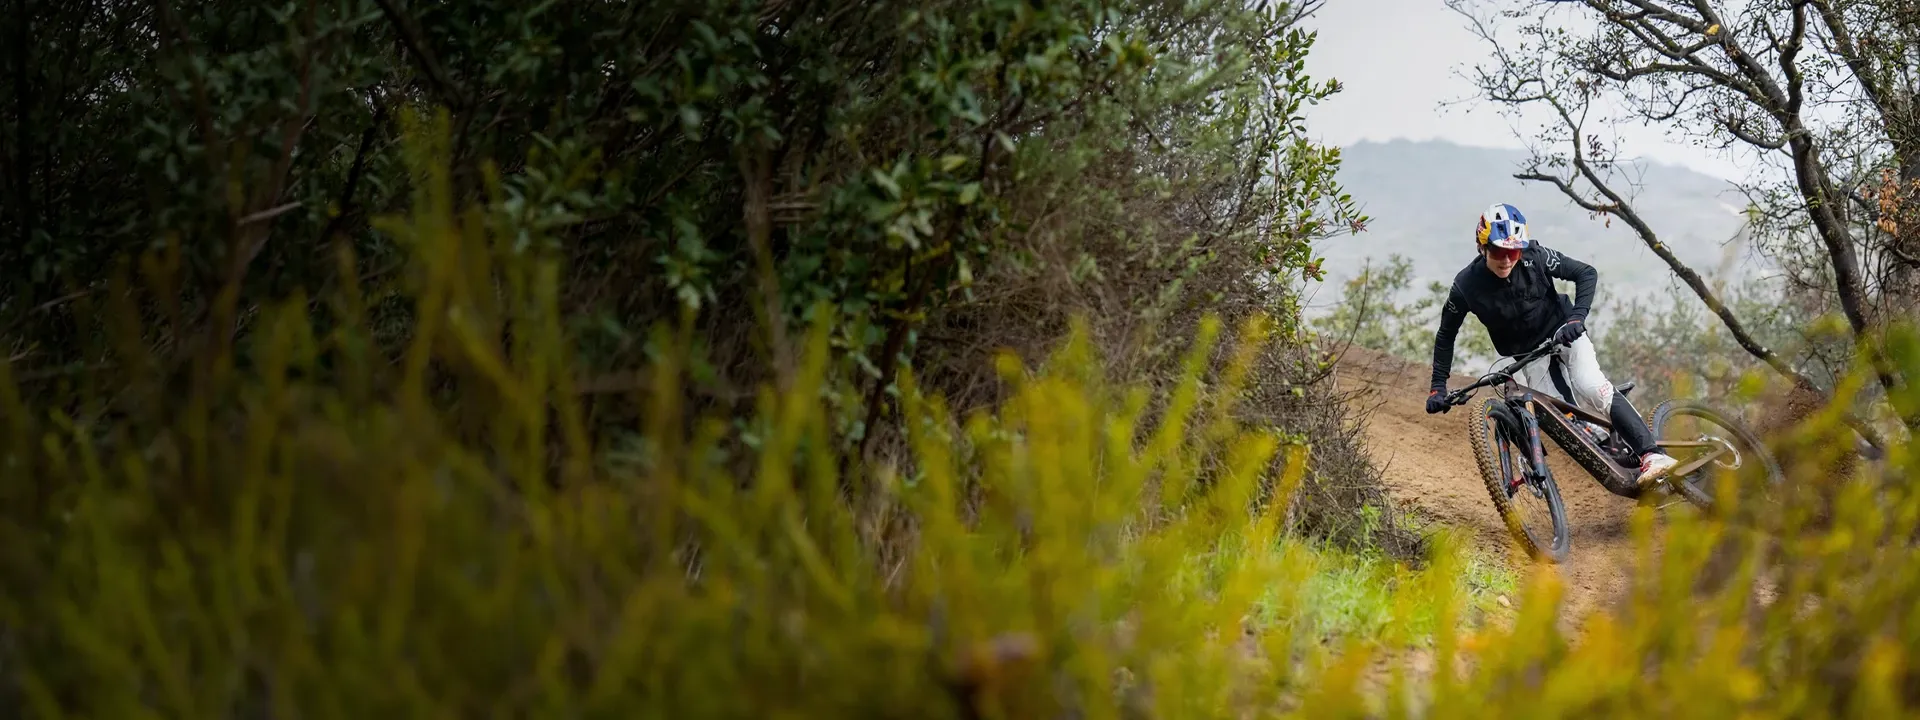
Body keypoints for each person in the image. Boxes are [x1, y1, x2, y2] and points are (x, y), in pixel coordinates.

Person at [1425, 202, 1679, 488]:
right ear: (1482, 247)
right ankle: (1626, 459)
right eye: (1499, 251)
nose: (1507, 260)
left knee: (1591, 387)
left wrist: (1576, 319)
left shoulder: (1536, 256)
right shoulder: (1465, 286)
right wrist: (1438, 386)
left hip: (1564, 334)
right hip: (1530, 354)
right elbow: (1446, 334)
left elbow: (1585, 273)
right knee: (1568, 421)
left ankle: (1653, 455)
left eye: (1514, 252)